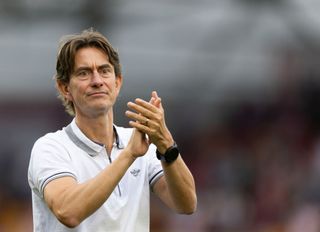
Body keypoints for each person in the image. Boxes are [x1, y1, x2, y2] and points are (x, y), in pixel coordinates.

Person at [27, 28, 197, 232]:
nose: (97, 81)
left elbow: (186, 204)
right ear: (65, 88)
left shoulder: (139, 143)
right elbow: (68, 212)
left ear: (117, 83)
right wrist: (128, 155)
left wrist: (166, 144)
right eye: (84, 73)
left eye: (104, 70)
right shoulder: (50, 147)